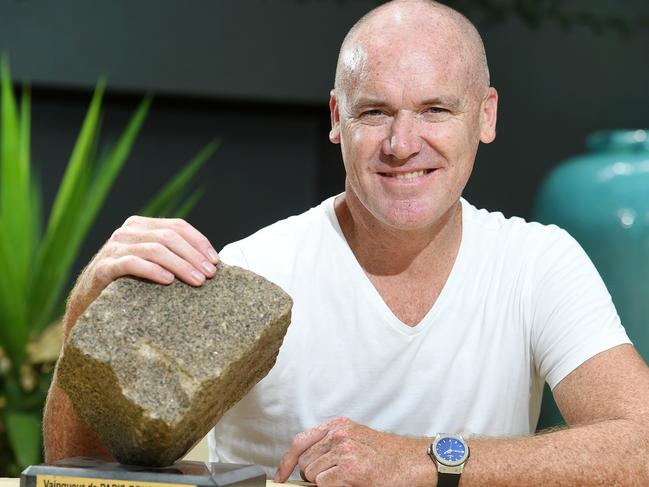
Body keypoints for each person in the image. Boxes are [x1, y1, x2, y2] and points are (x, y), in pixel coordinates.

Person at [44, 0, 649, 485]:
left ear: (485, 117)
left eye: (435, 110)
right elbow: (79, 471)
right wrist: (87, 313)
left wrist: (426, 462)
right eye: (375, 112)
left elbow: (641, 447)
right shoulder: (252, 273)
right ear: (336, 118)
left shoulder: (537, 263)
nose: (402, 143)